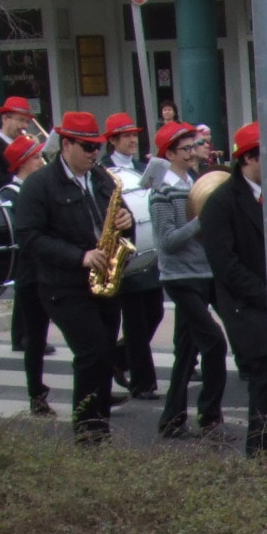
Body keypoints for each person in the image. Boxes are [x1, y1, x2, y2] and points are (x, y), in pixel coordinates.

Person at [9, 111, 128, 442]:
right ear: (66, 145)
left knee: (104, 355)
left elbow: (122, 213)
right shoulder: (39, 185)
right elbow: (29, 237)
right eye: (87, 147)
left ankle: (100, 426)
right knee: (91, 353)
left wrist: (125, 219)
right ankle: (87, 432)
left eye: (97, 147)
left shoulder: (102, 177)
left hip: (103, 280)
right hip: (63, 285)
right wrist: (80, 256)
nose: (94, 153)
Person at [199, 124, 267, 457]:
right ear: (248, 159)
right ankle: (260, 453)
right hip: (245, 303)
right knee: (264, 377)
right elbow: (225, 265)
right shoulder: (221, 202)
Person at [148, 124, 227, 438]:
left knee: (185, 352)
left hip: (205, 273)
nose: (195, 153)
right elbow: (167, 241)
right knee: (215, 343)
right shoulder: (162, 191)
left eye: (196, 146)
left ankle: (171, 419)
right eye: (187, 149)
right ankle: (209, 417)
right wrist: (201, 221)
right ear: (169, 154)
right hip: (181, 277)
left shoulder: (196, 183)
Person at [97, 113, 163, 398]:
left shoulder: (142, 168)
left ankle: (116, 358)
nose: (133, 140)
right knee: (136, 321)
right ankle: (142, 383)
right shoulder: (102, 170)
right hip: (126, 252)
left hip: (148, 251)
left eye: (134, 135)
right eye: (126, 136)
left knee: (156, 313)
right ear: (112, 140)